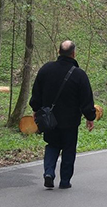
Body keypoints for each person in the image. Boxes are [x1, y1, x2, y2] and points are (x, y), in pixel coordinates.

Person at [29, 40, 96, 189]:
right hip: (70, 121)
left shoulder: (46, 69)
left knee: (52, 145)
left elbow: (36, 93)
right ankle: (65, 181)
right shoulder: (79, 75)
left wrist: (35, 109)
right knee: (68, 149)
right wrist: (90, 117)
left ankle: (48, 173)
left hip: (49, 119)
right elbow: (86, 99)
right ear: (73, 54)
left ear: (59, 52)